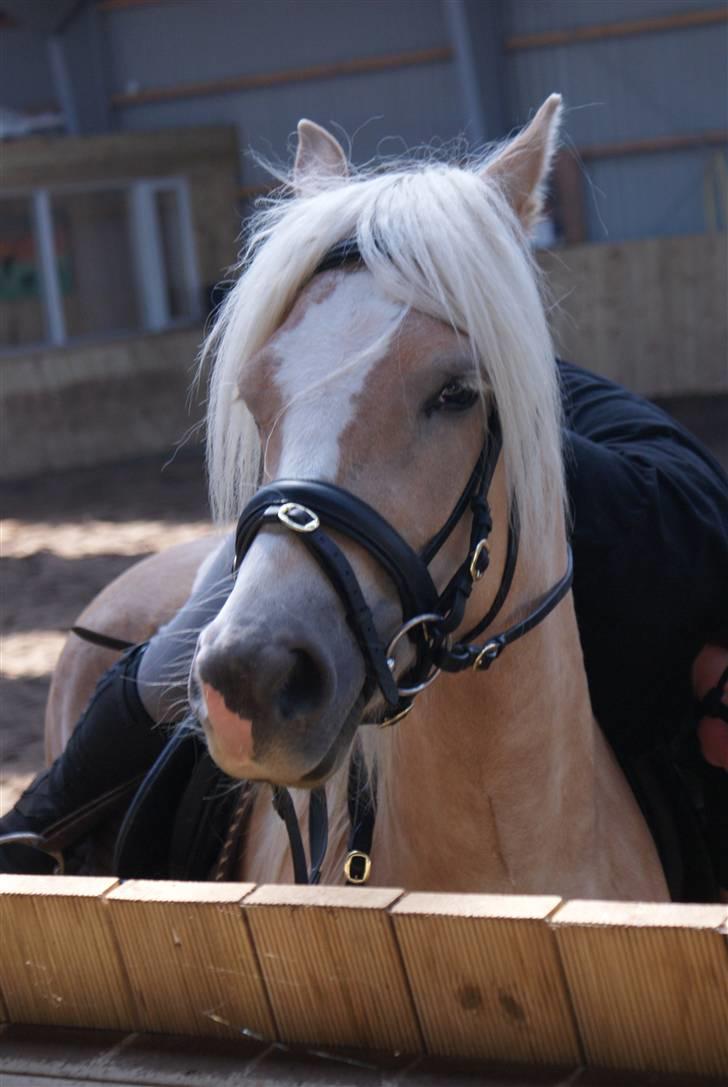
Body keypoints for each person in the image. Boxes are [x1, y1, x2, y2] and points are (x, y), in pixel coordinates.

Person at [1, 361, 726, 897]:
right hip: (343, 490)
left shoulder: (661, 584)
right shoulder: (666, 544)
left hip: (496, 497)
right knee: (180, 658)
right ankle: (45, 823)